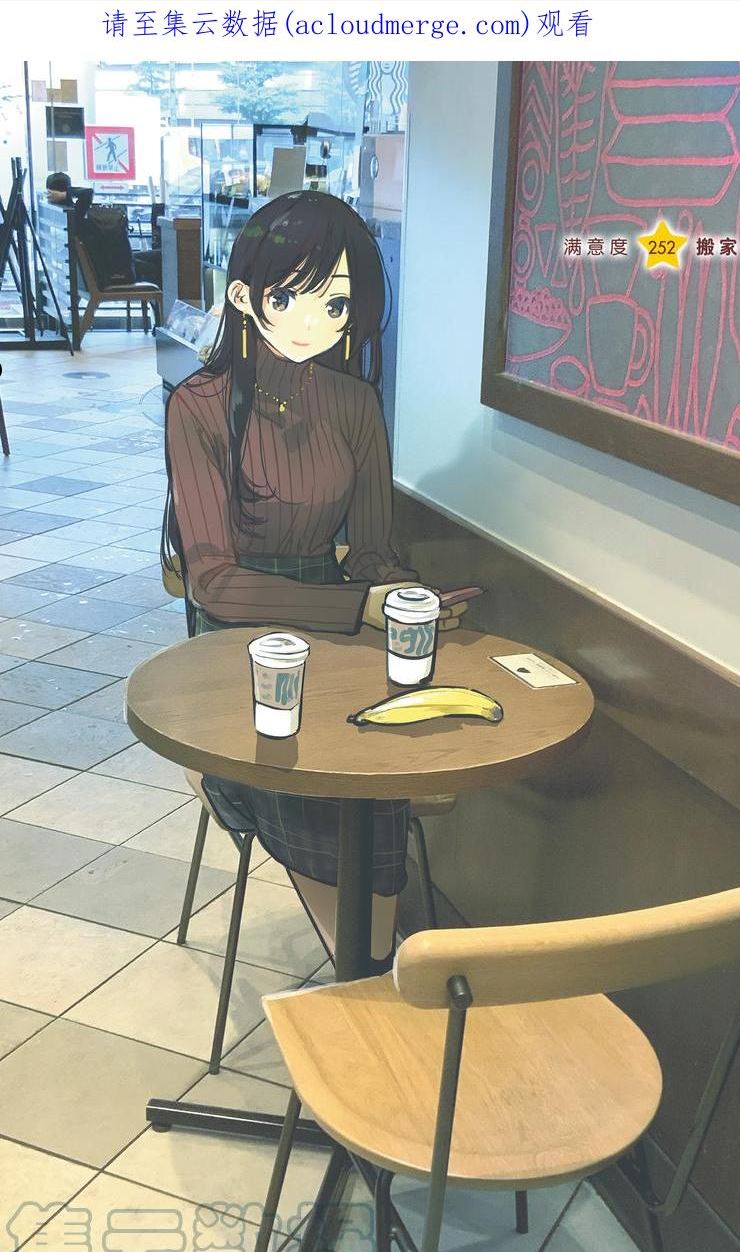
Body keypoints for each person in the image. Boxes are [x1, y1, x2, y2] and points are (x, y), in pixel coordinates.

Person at [162, 191, 464, 965]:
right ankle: (369, 968)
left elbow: (372, 553)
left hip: (333, 642)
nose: (313, 322)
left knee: (375, 761)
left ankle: (369, 964)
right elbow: (213, 583)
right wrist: (357, 606)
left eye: (335, 304)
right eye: (288, 297)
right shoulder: (198, 405)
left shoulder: (355, 404)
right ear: (245, 297)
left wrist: (406, 599)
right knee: (310, 769)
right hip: (232, 653)